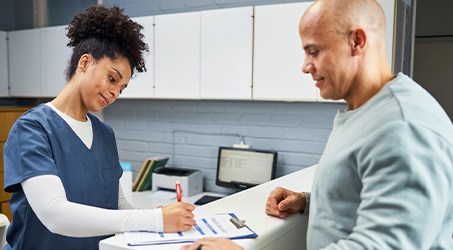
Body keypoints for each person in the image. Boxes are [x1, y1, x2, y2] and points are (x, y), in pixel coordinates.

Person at [182, 0, 453, 249]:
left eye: (315, 51)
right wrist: (309, 202)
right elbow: (364, 194)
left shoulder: (403, 127)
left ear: (356, 42)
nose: (305, 66)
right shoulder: (364, 110)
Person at [3, 5, 195, 250]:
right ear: (84, 63)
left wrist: (161, 217)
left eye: (121, 88)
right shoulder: (32, 129)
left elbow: (117, 205)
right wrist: (155, 219)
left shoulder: (105, 134)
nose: (115, 92)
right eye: (112, 78)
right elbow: (54, 214)